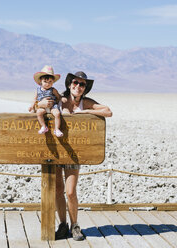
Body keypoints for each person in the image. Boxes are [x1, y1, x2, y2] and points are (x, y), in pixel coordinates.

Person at [37, 71, 112, 241]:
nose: (78, 86)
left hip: (73, 152)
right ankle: (63, 225)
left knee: (70, 192)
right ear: (69, 84)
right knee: (57, 190)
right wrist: (39, 103)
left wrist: (83, 113)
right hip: (56, 150)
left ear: (85, 88)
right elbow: (39, 107)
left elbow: (108, 111)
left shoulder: (86, 103)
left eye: (82, 84)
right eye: (75, 83)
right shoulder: (60, 99)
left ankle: (75, 225)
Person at [29, 65, 63, 137]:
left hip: (52, 107)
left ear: (53, 82)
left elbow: (58, 96)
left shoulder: (53, 90)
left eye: (50, 81)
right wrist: (32, 106)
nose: (48, 84)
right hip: (42, 107)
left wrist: (62, 98)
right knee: (39, 113)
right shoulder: (38, 90)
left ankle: (57, 129)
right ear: (40, 81)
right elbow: (34, 99)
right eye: (45, 81)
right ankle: (44, 126)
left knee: (57, 114)